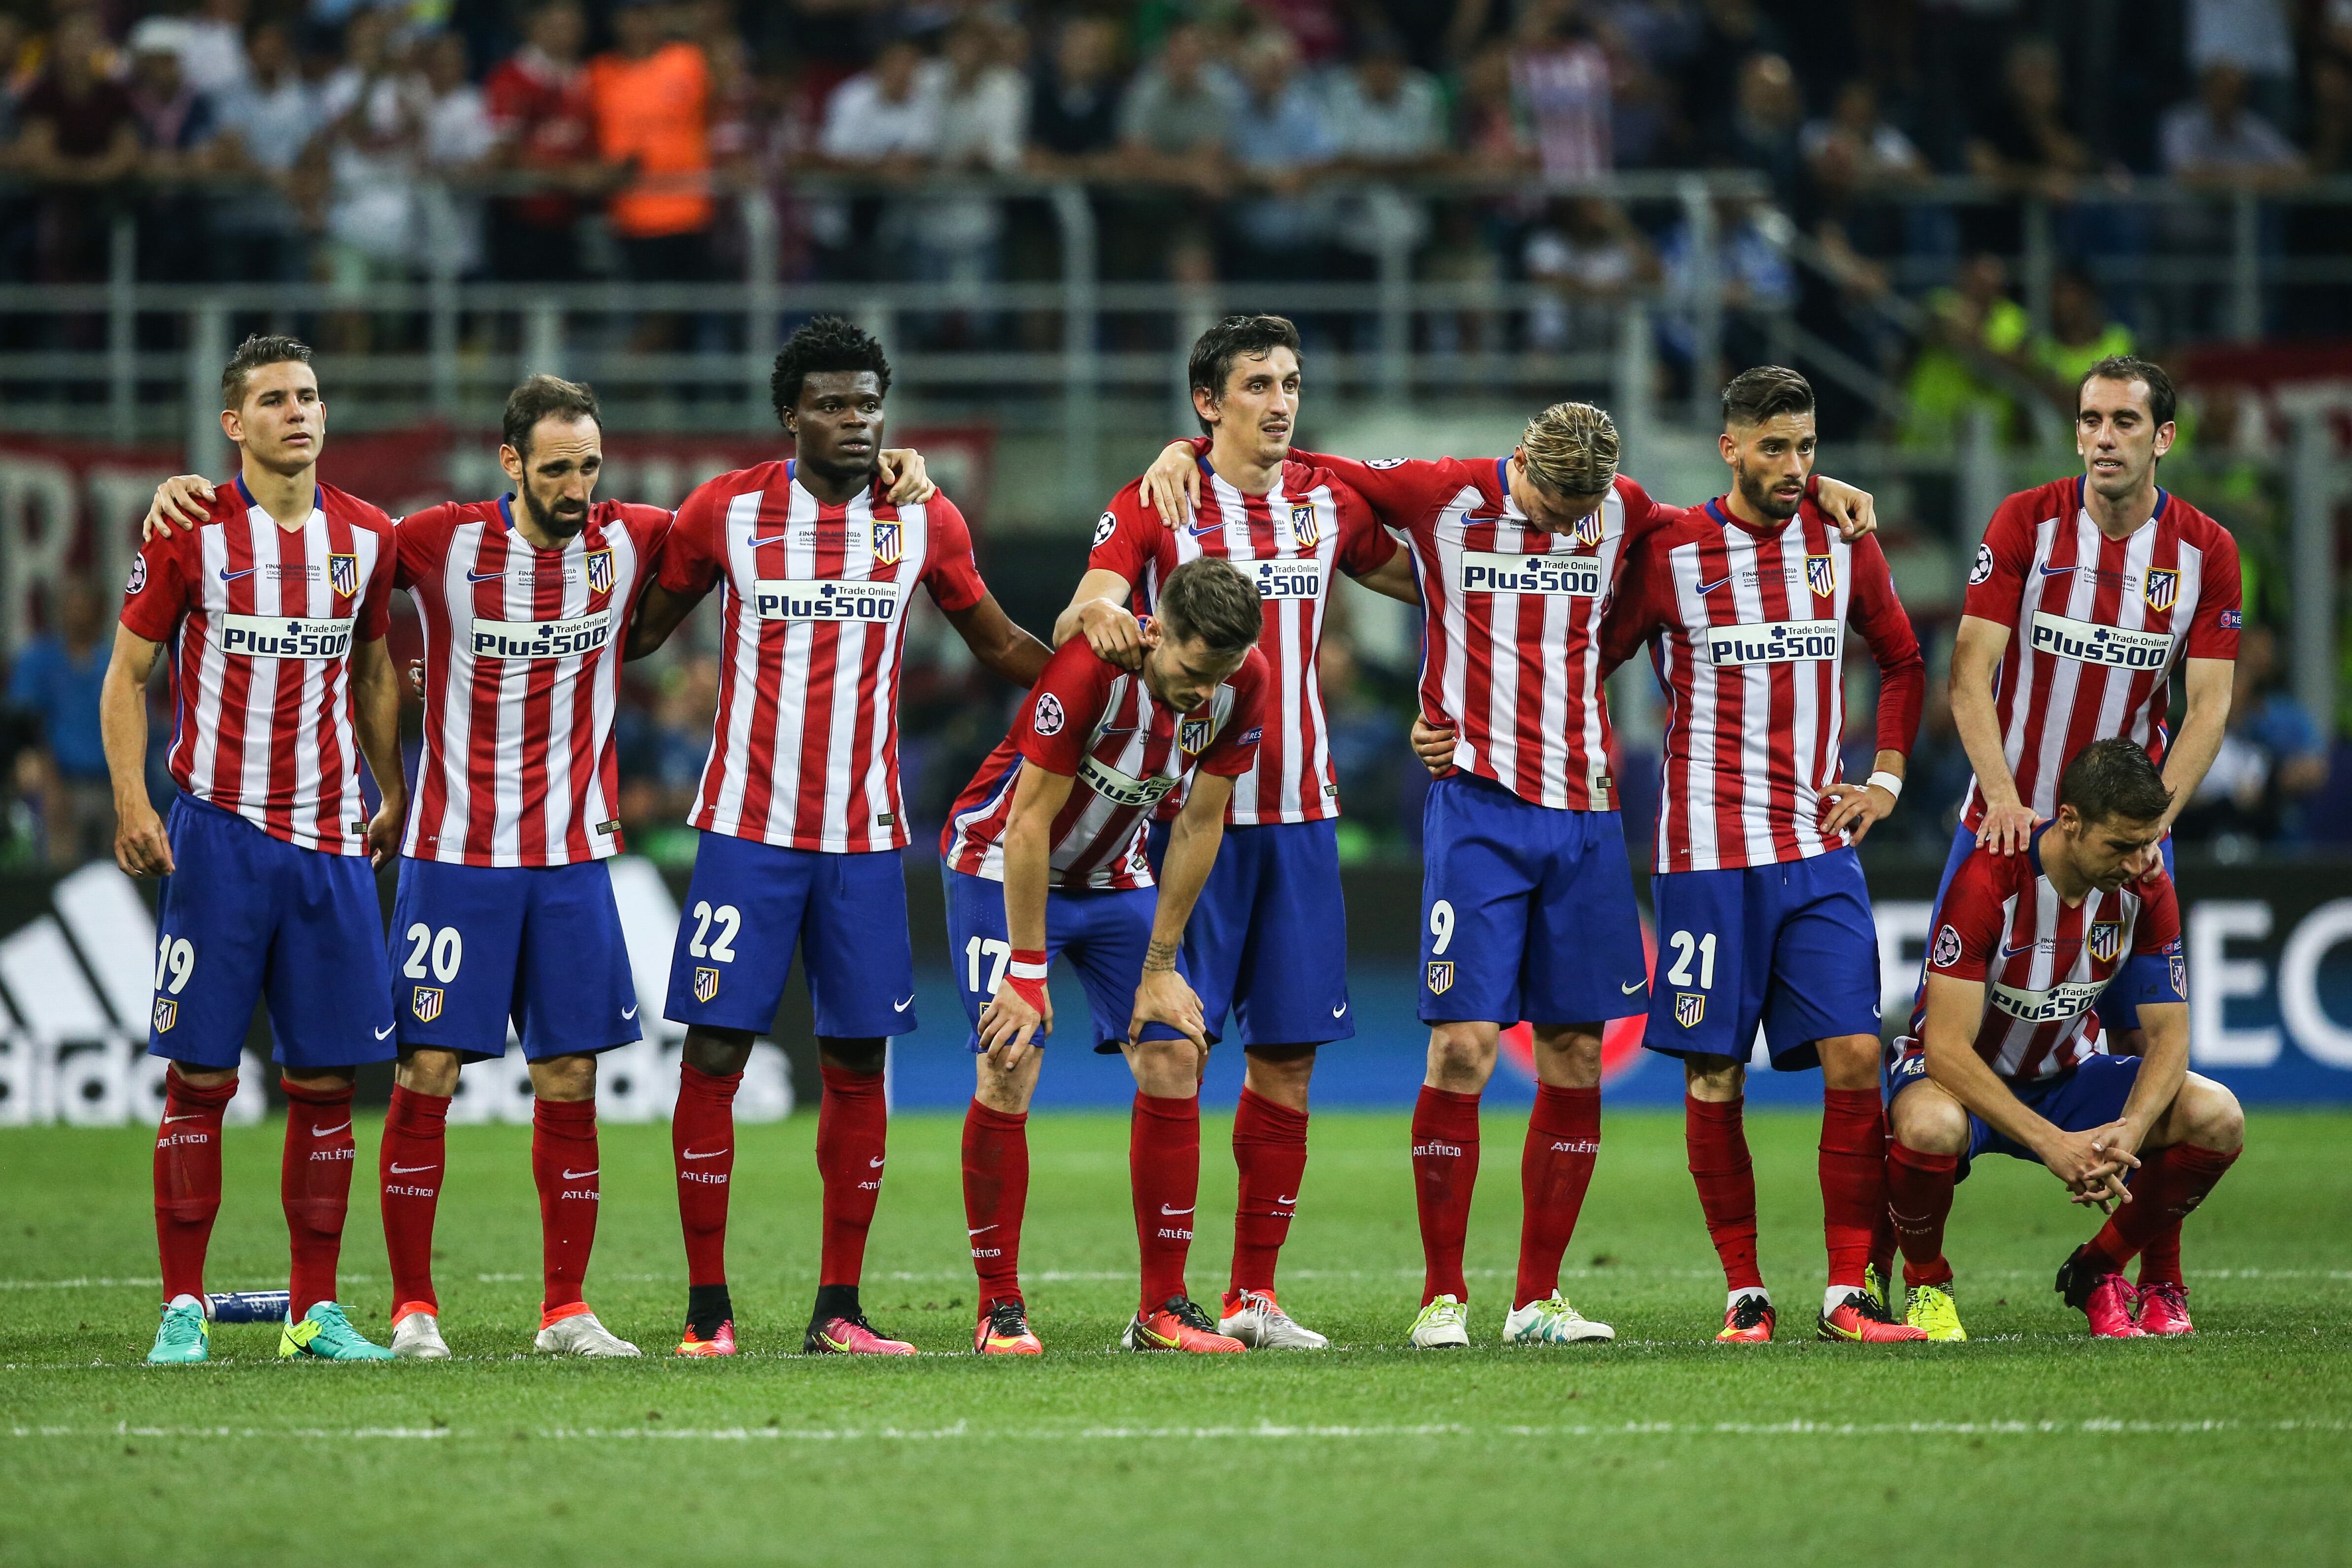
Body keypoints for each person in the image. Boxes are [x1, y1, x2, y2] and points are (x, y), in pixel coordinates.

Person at [1152, 408, 1883, 1350]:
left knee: (1576, 1050)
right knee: (1462, 1046)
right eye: (1547, 503)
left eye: (1579, 511)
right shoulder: (1442, 491)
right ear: (1519, 466)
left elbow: (1731, 515)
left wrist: (1815, 487)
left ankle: (1536, 1298)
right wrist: (1184, 450)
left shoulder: (1623, 511)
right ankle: (1441, 1298)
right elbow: (1302, 463)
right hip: (1479, 812)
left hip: (1584, 813)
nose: (1559, 525)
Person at [142, 377, 668, 1360]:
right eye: (555, 466)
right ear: (509, 462)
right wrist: (185, 490)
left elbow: (749, 526)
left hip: (571, 859)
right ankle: (411, 1308)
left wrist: (896, 474)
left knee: (568, 1074)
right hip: (451, 852)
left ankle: (566, 1310)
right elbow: (319, 559)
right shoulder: (432, 538)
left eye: (589, 465)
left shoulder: (636, 537)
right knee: (426, 1069)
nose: (576, 485)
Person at [625, 317, 1050, 1358]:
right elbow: (638, 629)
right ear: (790, 415)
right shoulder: (725, 510)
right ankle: (706, 1311)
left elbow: (995, 642)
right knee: (716, 1052)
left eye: (868, 404)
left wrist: (1108, 674)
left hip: (865, 839)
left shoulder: (923, 519)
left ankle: (838, 1310)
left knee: (859, 1061)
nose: (855, 422)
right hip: (745, 832)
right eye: (832, 404)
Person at [1053, 314, 1418, 1350]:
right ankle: (1159, 1305)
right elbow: (1090, 598)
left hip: (1301, 820)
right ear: (1207, 403)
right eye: (1256, 383)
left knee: (1287, 1063)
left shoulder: (1326, 497)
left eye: (1291, 381)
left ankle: (1252, 1294)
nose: (1280, 400)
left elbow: (1435, 567)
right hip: (1183, 825)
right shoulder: (1157, 497)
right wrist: (1105, 620)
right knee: (1171, 1054)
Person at [1598, 366, 1928, 1345]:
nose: (1795, 467)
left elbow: (1903, 657)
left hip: (1817, 845)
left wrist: (1887, 780)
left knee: (1858, 1051)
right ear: (1729, 447)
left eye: (1808, 448)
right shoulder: (1670, 550)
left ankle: (1845, 1293)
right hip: (1703, 856)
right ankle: (1745, 1291)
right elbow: (1591, 655)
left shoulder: (1841, 537)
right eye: (1774, 447)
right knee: (1713, 1076)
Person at [101, 335, 404, 1365]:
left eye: (310, 395)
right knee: (200, 1076)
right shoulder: (191, 531)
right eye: (273, 399)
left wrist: (391, 780)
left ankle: (311, 1313)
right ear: (234, 424)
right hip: (220, 834)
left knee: (326, 1083)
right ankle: (182, 1305)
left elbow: (373, 668)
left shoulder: (367, 536)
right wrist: (134, 800)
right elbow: (128, 672)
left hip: (327, 844)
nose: (298, 413)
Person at [943, 557, 1270, 1356]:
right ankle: (999, 1308)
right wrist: (1025, 970)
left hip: (1114, 875)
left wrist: (1160, 966)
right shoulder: (1091, 669)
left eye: (1221, 673)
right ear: (1158, 632)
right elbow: (1025, 826)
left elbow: (1199, 825)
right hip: (1003, 866)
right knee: (1010, 1059)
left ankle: (1162, 1309)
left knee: (1175, 1054)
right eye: (1193, 670)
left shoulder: (1242, 680)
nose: (1204, 692)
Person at [1888, 738, 2243, 1339]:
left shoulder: (2146, 885)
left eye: (2147, 843)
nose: (2138, 863)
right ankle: (1927, 1284)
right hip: (1963, 1081)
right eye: (2121, 845)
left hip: (2068, 1076)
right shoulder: (1988, 879)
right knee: (1928, 1128)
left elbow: (2169, 1039)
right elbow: (1945, 1048)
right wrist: (2054, 1145)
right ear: (2070, 821)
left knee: (2217, 1116)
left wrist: (2129, 1130)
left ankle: (2096, 1267)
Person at [8, 577, 113, 865]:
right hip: (62, 784)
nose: (78, 614)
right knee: (61, 872)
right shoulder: (41, 660)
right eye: (72, 607)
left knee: (115, 875)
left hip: (111, 786)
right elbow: (27, 727)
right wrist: (50, 785)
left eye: (85, 607)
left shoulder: (114, 659)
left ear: (99, 611)